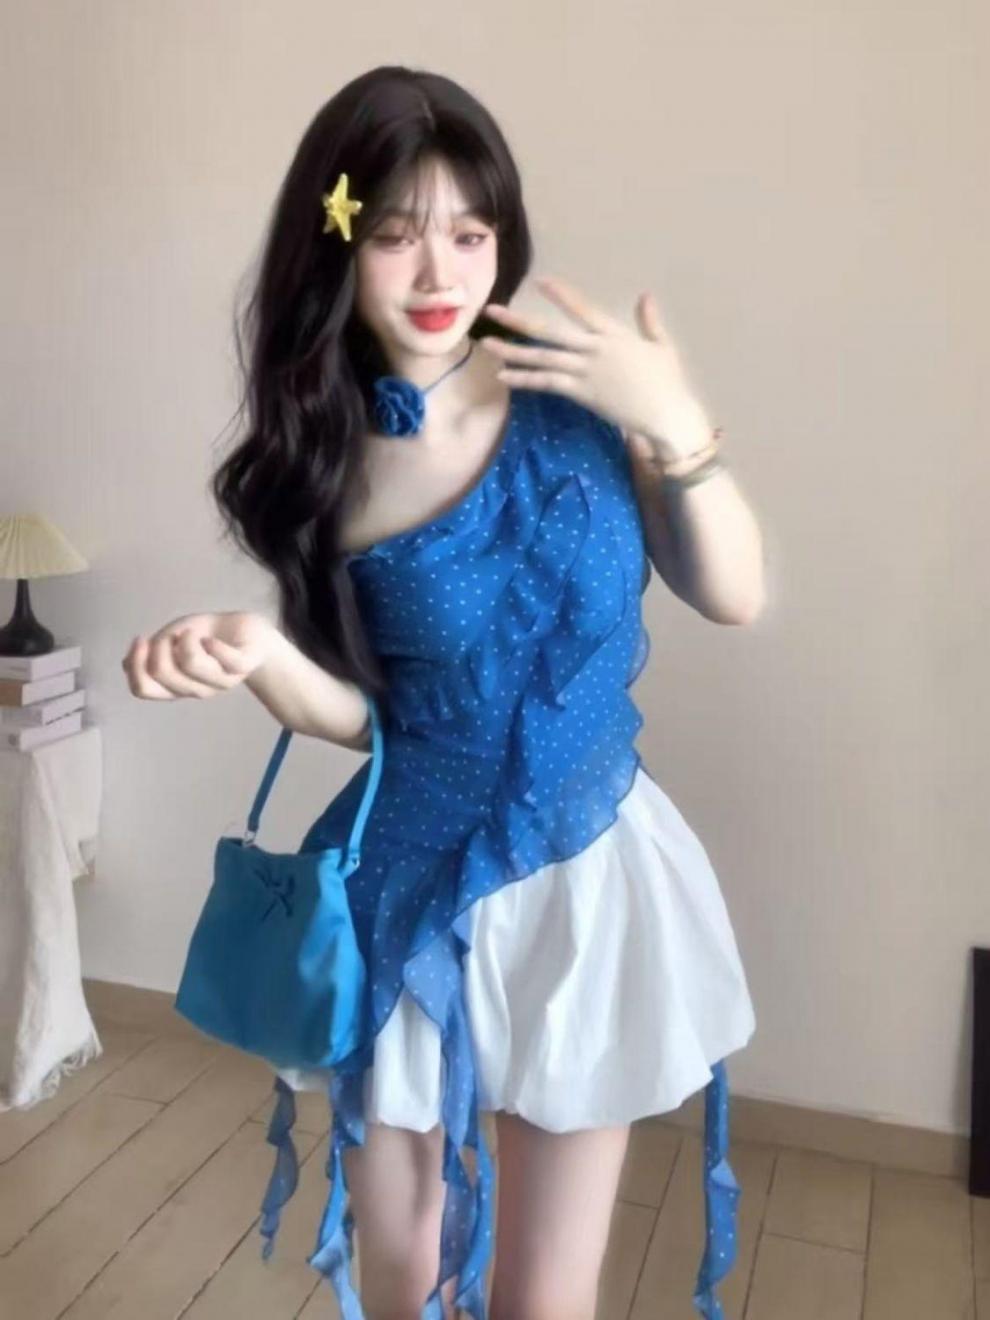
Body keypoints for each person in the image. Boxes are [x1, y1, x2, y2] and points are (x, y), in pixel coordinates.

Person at [122, 64, 764, 1320]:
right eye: (397, 236)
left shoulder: (579, 390)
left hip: (585, 872)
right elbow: (383, 724)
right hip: (407, 892)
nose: (439, 275)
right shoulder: (322, 456)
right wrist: (263, 659)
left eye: (471, 235)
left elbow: (731, 594)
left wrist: (674, 423)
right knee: (409, 1285)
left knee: (543, 1301)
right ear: (337, 242)